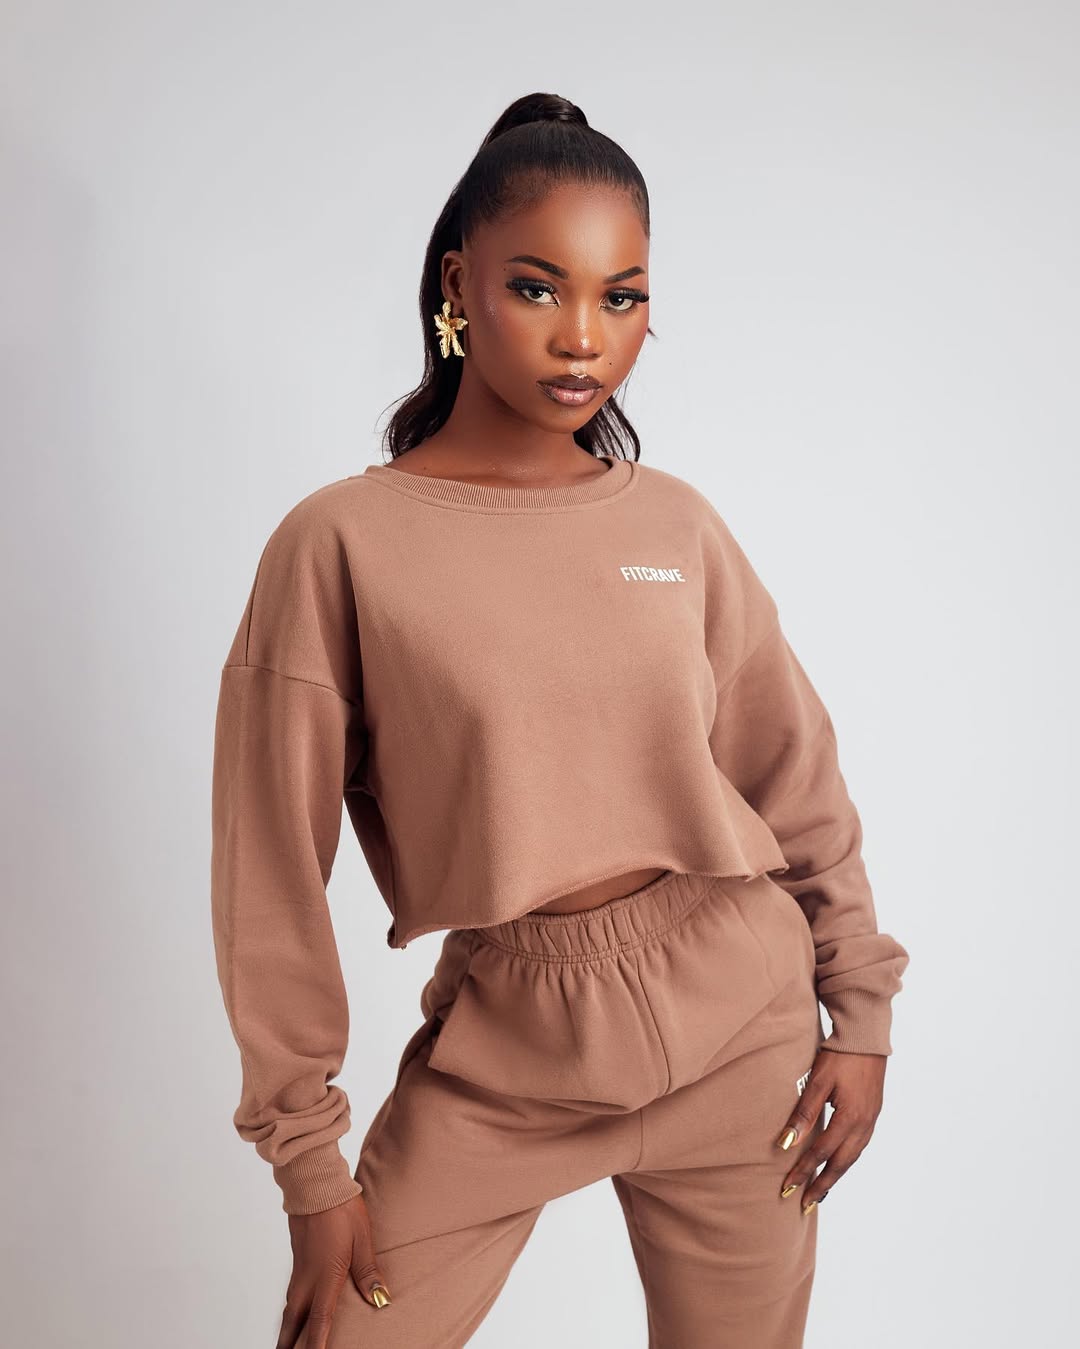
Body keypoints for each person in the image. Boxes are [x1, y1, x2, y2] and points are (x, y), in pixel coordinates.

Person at [210, 91, 910, 1349]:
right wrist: (311, 1164)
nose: (584, 337)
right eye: (538, 287)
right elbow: (268, 870)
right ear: (458, 285)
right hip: (509, 1059)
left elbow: (791, 770)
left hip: (743, 1033)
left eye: (621, 297)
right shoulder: (341, 543)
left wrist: (860, 1016)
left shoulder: (675, 523)